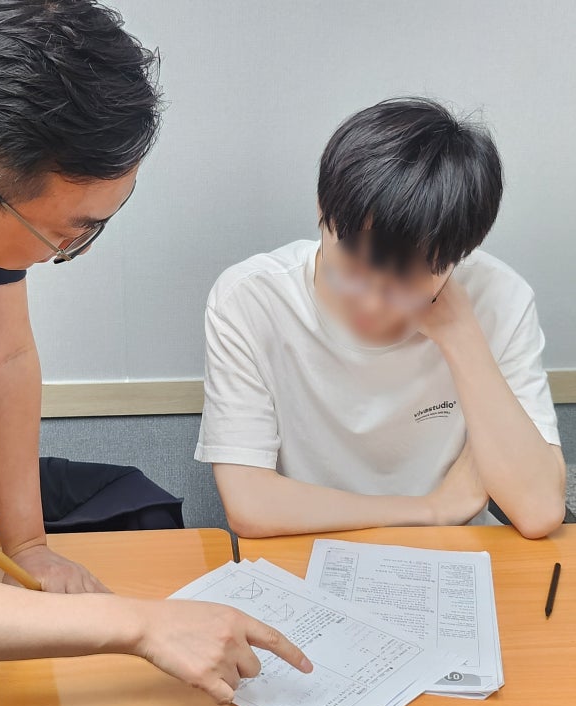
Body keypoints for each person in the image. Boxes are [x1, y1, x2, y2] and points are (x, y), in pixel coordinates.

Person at [0, 0, 311, 703]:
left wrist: (29, 546)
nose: (73, 250)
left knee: (127, 504)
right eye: (66, 234)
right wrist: (141, 626)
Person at [196, 98, 566, 540]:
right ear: (322, 210)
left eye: (404, 280)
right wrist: (432, 509)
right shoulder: (252, 299)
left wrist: (461, 336)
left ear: (458, 256)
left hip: (456, 557)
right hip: (310, 552)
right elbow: (250, 505)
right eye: (353, 266)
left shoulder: (500, 298)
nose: (372, 303)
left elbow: (539, 511)